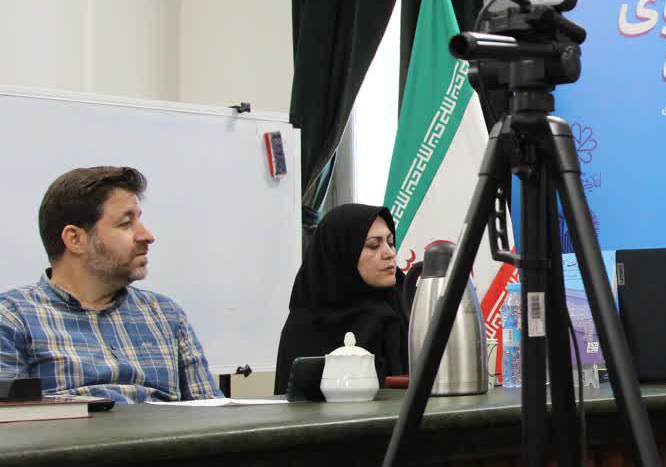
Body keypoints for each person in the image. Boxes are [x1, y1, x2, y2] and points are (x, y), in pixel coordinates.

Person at [0, 166, 220, 403]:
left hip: (163, 426)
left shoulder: (166, 314)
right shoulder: (13, 317)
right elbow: (12, 419)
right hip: (75, 427)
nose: (147, 235)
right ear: (75, 239)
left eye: (139, 220)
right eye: (126, 223)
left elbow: (210, 410)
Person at [274, 204, 409, 394]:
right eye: (373, 245)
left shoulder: (406, 305)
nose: (390, 253)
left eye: (390, 242)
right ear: (341, 252)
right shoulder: (305, 324)